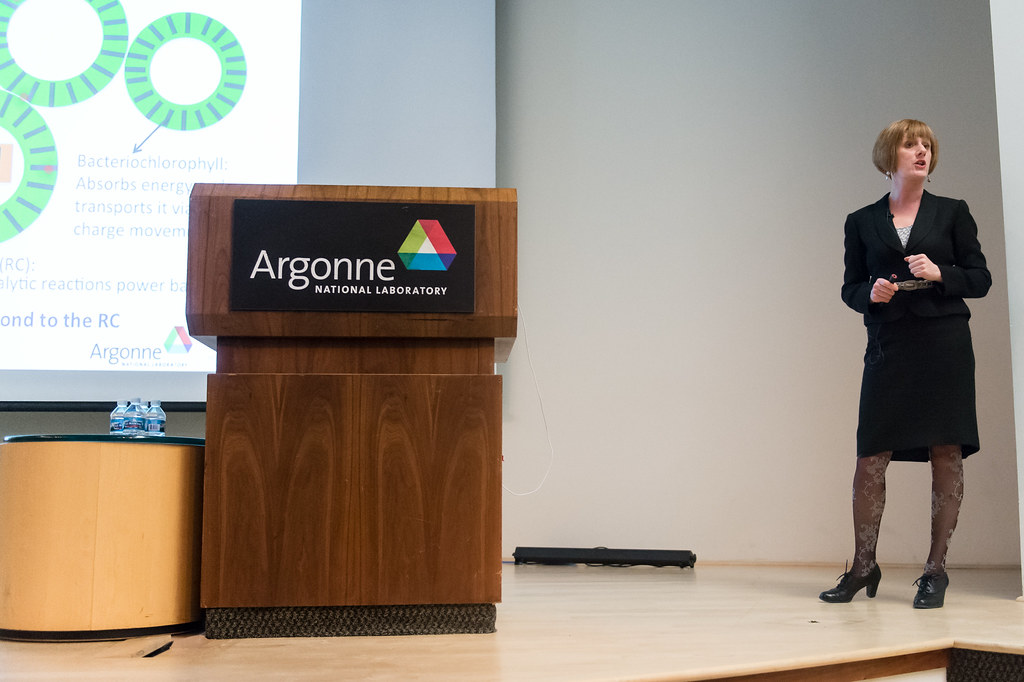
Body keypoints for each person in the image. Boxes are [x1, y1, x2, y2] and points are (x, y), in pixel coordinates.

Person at [820, 119, 991, 609]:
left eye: (928, 145)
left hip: (944, 345)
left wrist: (942, 273)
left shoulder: (953, 213)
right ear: (888, 155)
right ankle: (863, 566)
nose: (921, 151)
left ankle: (935, 572)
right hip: (890, 345)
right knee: (871, 455)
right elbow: (850, 286)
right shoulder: (861, 220)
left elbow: (980, 278)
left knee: (946, 452)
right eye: (911, 144)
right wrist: (869, 293)